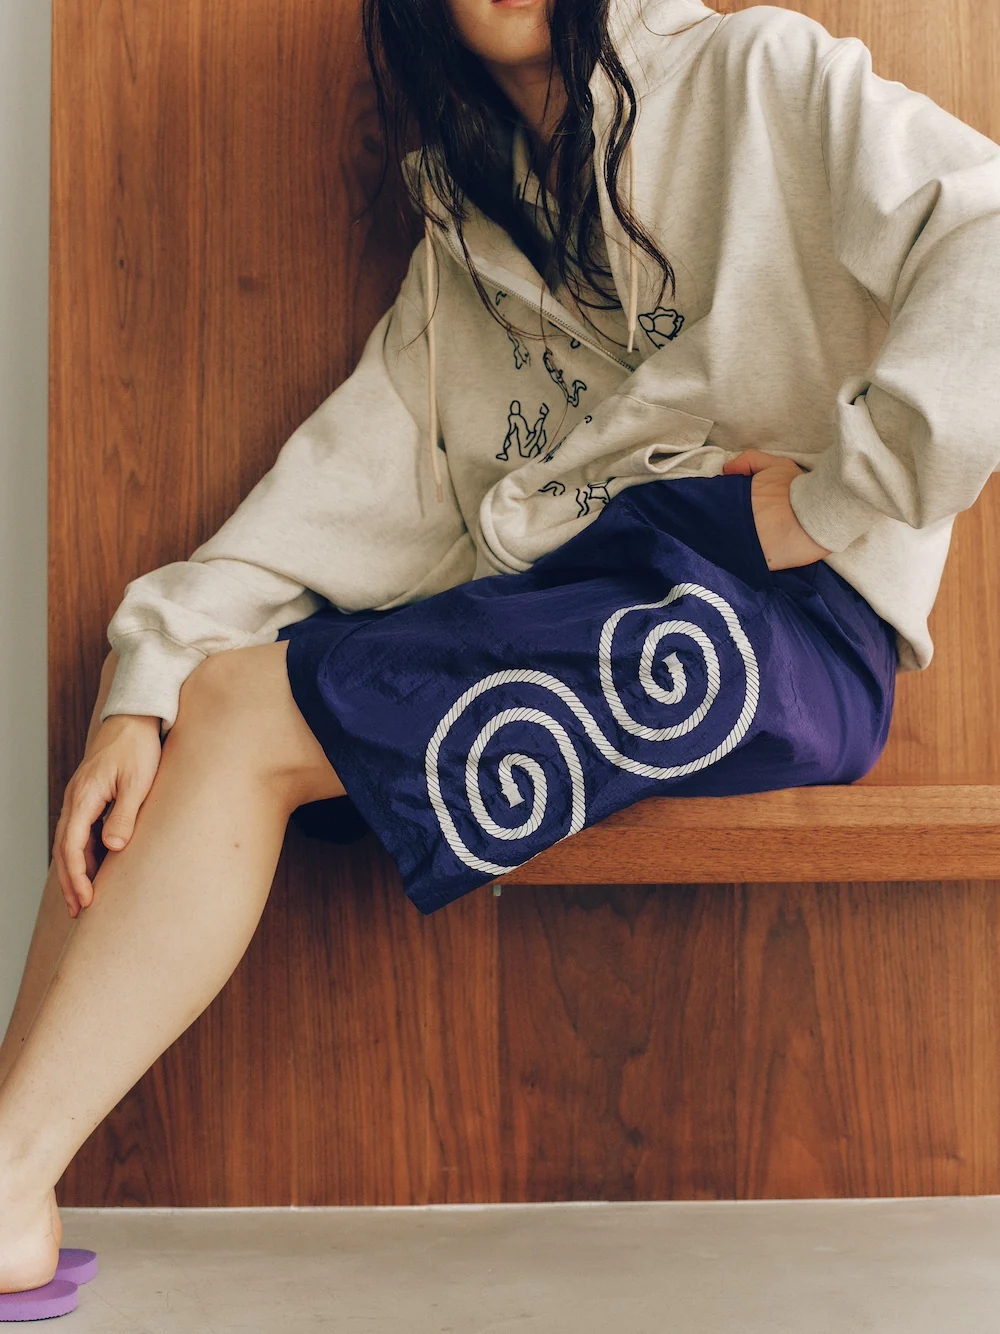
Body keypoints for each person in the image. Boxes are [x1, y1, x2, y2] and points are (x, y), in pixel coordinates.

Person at [2, 0, 999, 1306]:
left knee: (245, 709)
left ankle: (5, 1181)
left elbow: (989, 232)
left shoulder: (754, 73)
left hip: (780, 624)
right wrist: (145, 676)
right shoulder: (472, 235)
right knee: (201, 698)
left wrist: (836, 501)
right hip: (608, 584)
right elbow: (345, 488)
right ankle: (9, 1175)